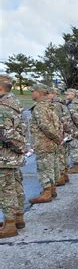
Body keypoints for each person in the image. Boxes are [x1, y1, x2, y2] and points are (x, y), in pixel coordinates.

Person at [0, 75, 27, 238]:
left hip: (4, 157)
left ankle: (9, 224)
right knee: (15, 187)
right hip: (12, 156)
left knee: (5, 191)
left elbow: (6, 134)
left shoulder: (2, 107)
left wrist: (19, 148)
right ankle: (18, 218)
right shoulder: (14, 103)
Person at [29, 83, 63, 204]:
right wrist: (58, 138)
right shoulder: (49, 106)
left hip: (44, 142)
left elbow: (46, 127)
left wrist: (56, 138)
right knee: (52, 167)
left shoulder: (39, 108)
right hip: (51, 143)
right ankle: (52, 190)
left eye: (33, 91)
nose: (31, 93)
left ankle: (47, 192)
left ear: (39, 93)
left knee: (44, 168)